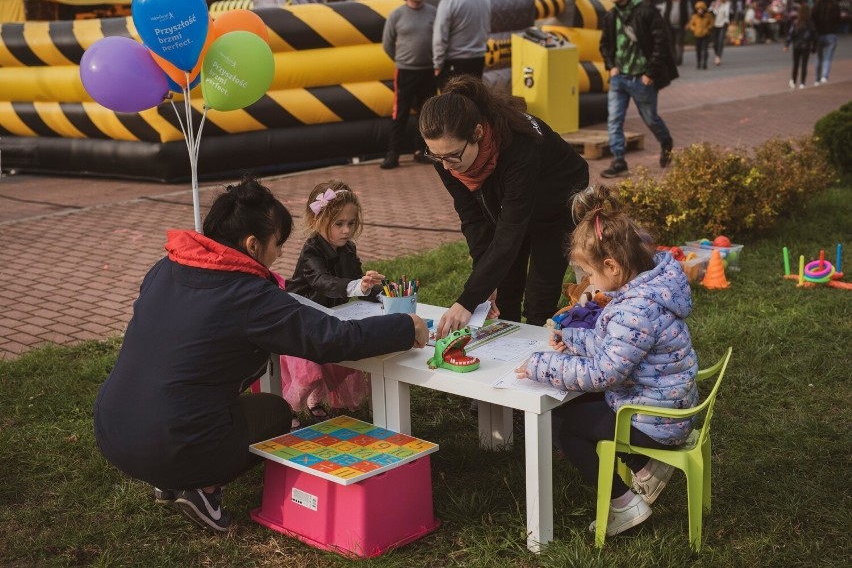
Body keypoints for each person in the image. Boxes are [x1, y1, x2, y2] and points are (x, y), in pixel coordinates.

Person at [93, 177, 428, 533]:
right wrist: (406, 327)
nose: (280, 254)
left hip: (112, 430)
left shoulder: (166, 267)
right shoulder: (249, 294)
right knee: (275, 413)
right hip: (175, 442)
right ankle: (203, 488)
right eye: (277, 244)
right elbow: (332, 339)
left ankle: (170, 474)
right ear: (253, 245)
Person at [515, 184, 699, 536]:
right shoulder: (648, 289)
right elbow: (613, 344)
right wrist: (572, 338)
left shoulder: (632, 309)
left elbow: (603, 374)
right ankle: (645, 466)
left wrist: (543, 366)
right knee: (581, 409)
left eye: (591, 274)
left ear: (612, 267)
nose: (589, 283)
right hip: (666, 403)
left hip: (656, 420)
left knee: (566, 427)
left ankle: (625, 506)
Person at [418, 75, 589, 338]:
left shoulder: (521, 146)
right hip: (511, 201)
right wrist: (484, 282)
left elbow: (510, 231)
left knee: (540, 292)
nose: (445, 166)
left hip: (555, 200)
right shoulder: (447, 154)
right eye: (436, 156)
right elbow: (473, 220)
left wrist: (468, 299)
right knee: (504, 285)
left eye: (452, 156)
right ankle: (506, 351)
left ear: (478, 132)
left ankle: (537, 352)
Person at [282, 181, 385, 426]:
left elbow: (359, 280)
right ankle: (288, 408)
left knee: (337, 367)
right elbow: (321, 281)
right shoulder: (311, 251)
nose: (346, 230)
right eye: (339, 224)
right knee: (309, 373)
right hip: (303, 317)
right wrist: (354, 286)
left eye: (351, 223)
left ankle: (315, 403)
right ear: (318, 221)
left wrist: (379, 290)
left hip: (332, 315)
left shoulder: (348, 249)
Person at [599, 0, 678, 179]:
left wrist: (650, 73)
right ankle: (619, 161)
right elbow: (605, 44)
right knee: (614, 120)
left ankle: (666, 142)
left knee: (651, 119)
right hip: (618, 78)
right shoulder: (611, 15)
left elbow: (662, 42)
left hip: (642, 79)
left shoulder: (646, 11)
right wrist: (610, 66)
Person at [379, 0, 438, 170]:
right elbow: (387, 44)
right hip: (405, 72)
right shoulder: (396, 15)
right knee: (400, 113)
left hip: (429, 71)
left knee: (426, 113)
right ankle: (393, 154)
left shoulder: (433, 12)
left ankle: (422, 151)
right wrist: (402, 61)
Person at [432, 0, 491, 91]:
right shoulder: (485, 1)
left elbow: (440, 35)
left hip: (455, 60)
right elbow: (486, 30)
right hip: (478, 59)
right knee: (474, 97)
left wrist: (437, 65)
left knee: (452, 101)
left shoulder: (449, 1)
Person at [784, 3, 817, 89]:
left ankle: (794, 81)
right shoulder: (810, 24)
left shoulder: (796, 23)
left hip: (797, 46)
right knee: (804, 65)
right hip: (806, 46)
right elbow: (814, 37)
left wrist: (787, 45)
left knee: (796, 64)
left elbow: (791, 34)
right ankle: (802, 82)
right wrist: (814, 47)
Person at [812, 0, 841, 84]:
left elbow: (812, 19)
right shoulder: (834, 6)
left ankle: (817, 78)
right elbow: (838, 19)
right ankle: (824, 76)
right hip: (831, 33)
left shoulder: (816, 6)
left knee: (819, 57)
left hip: (819, 34)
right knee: (828, 58)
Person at [688, 1, 715, 69]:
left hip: (705, 35)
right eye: (698, 9)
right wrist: (694, 29)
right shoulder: (694, 17)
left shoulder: (708, 16)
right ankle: (699, 62)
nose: (700, 11)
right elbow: (691, 24)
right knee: (698, 50)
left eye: (701, 9)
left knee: (705, 50)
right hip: (697, 35)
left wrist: (708, 28)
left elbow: (711, 23)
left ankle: (705, 63)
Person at [710, 0, 732, 65]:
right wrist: (715, 6)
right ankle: (717, 54)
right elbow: (711, 12)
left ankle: (718, 57)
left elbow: (728, 14)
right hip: (715, 25)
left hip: (723, 24)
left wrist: (727, 22)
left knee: (720, 41)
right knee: (715, 43)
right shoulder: (714, 3)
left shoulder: (727, 4)